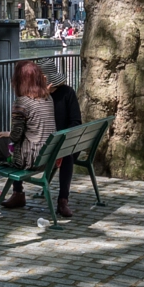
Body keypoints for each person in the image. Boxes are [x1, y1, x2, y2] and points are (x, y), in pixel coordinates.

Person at [0, 60, 55, 210]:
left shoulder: (22, 102)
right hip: (47, 156)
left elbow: (15, 137)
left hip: (29, 159)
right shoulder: (48, 98)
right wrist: (10, 134)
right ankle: (15, 193)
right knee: (2, 145)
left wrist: (9, 134)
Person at [49, 72, 82, 218]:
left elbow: (76, 121)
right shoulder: (37, 95)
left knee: (67, 151)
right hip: (45, 144)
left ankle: (63, 200)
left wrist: (63, 136)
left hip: (65, 141)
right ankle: (18, 193)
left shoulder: (68, 92)